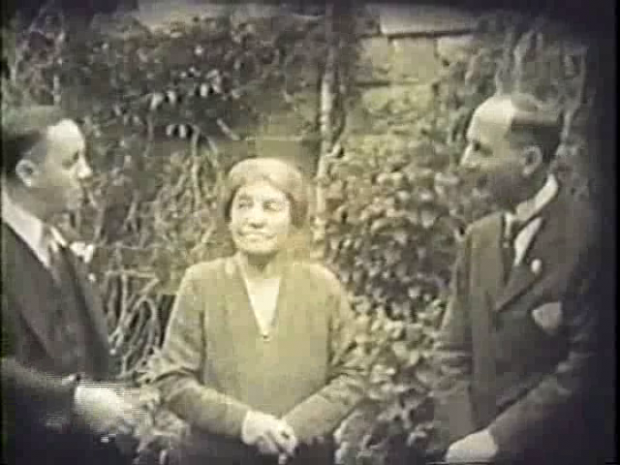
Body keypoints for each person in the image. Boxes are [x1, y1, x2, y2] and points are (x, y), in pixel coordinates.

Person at [147, 157, 368, 465]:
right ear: (229, 215)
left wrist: (293, 428)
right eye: (244, 205)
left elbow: (353, 374)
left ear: (294, 217)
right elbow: (174, 380)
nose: (255, 219)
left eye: (271, 207)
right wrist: (245, 423)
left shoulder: (322, 287)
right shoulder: (201, 283)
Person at [432, 93, 601, 464]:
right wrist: (468, 440)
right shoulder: (478, 238)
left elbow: (589, 365)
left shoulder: (593, 241)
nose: (466, 162)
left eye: (481, 150)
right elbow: (451, 350)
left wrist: (499, 438)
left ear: (529, 161)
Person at [1, 106, 139, 465]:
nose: (87, 172)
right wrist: (70, 399)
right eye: (71, 162)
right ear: (27, 173)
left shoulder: (65, 242)